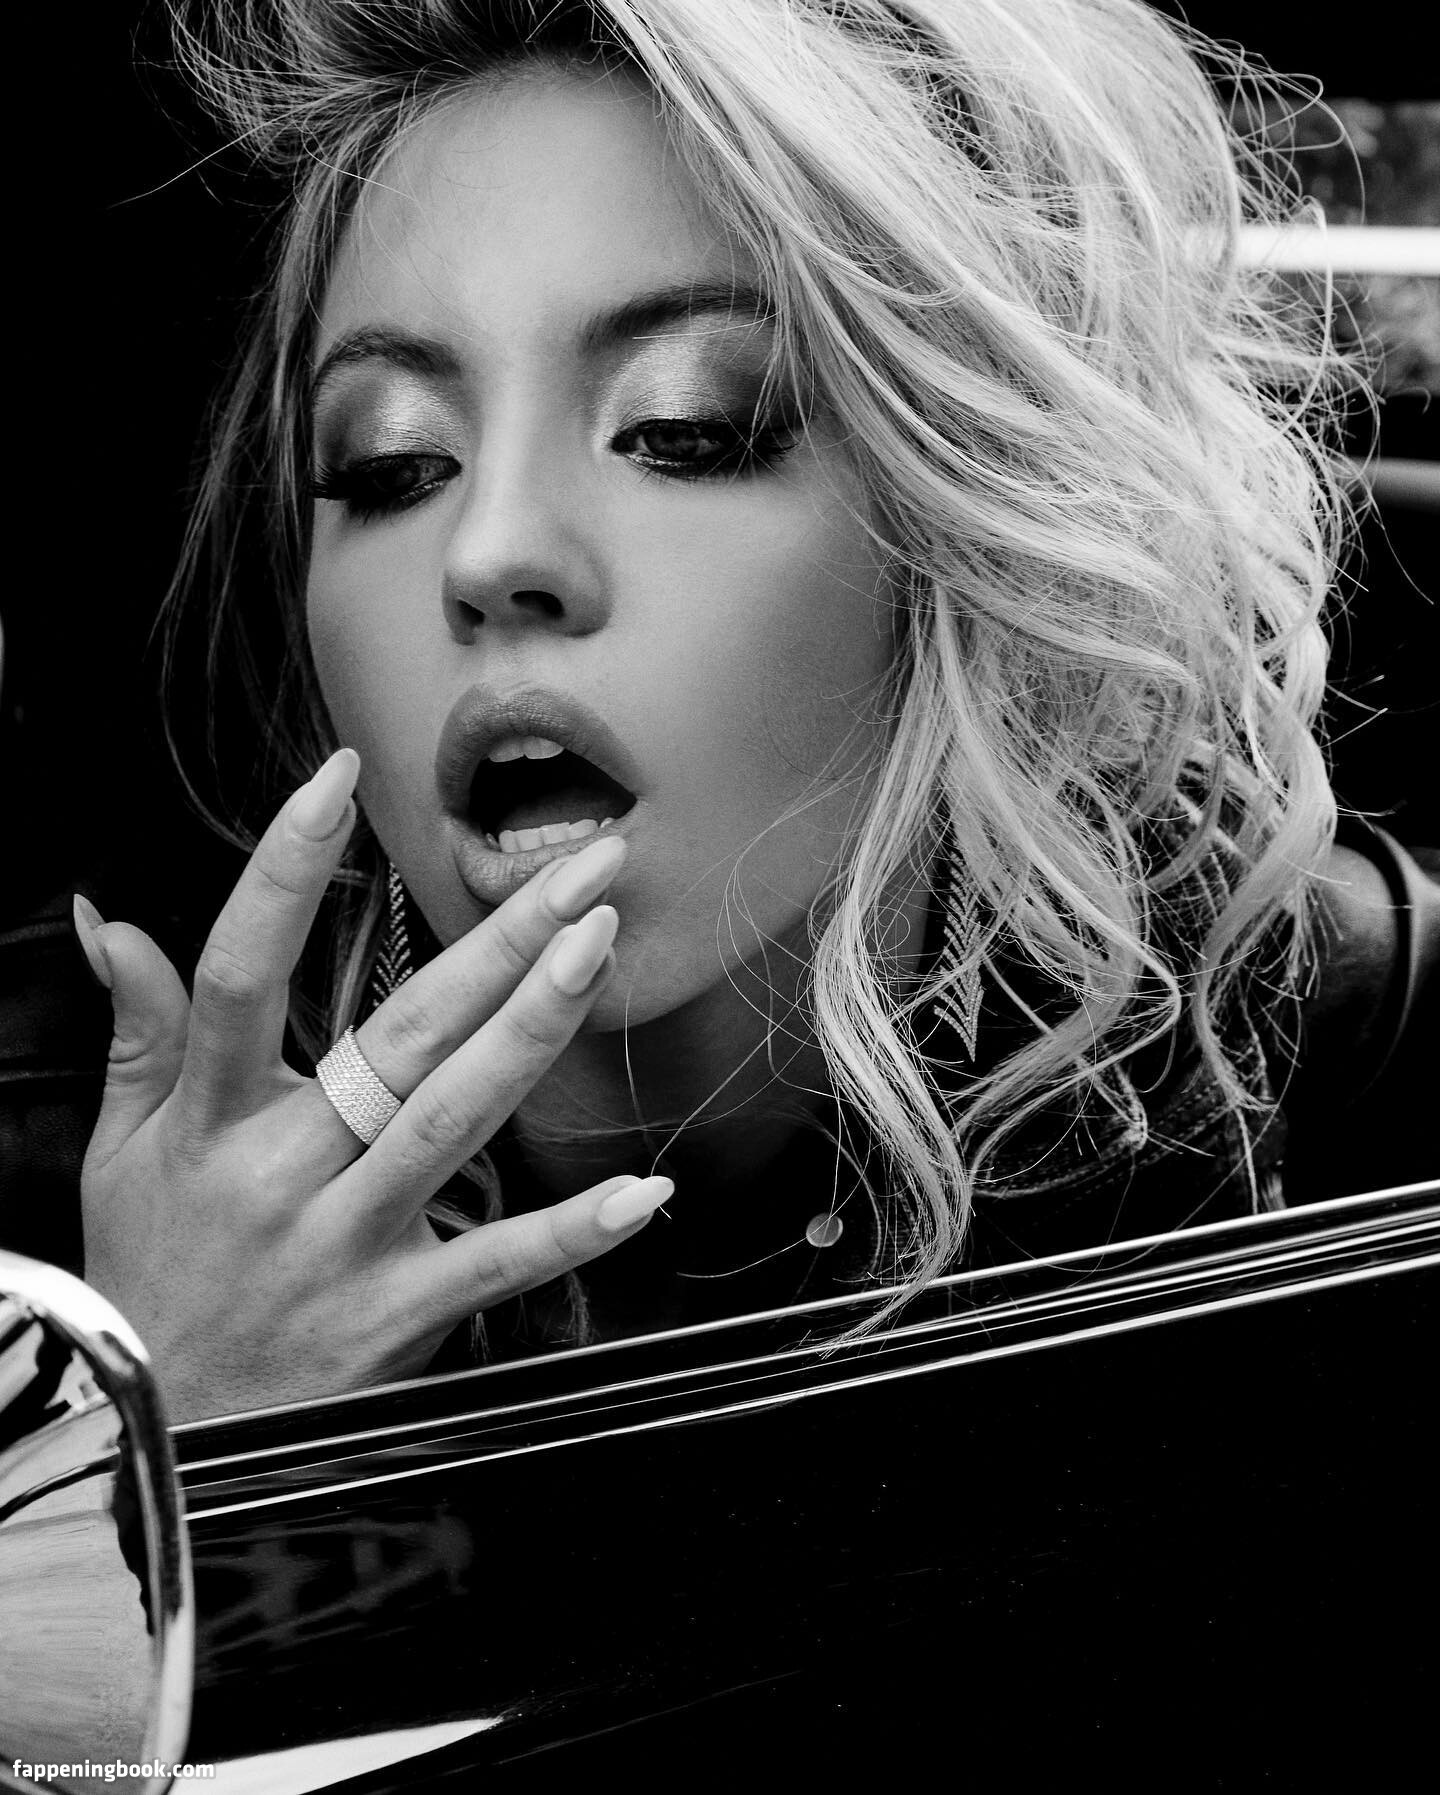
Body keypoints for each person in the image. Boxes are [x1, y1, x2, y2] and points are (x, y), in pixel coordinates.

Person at [4, 0, 1435, 1421]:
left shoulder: (1332, 1041)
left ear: (963, 534)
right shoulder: (53, 1179)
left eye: (683, 429)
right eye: (392, 466)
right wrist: (161, 1421)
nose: (488, 555)